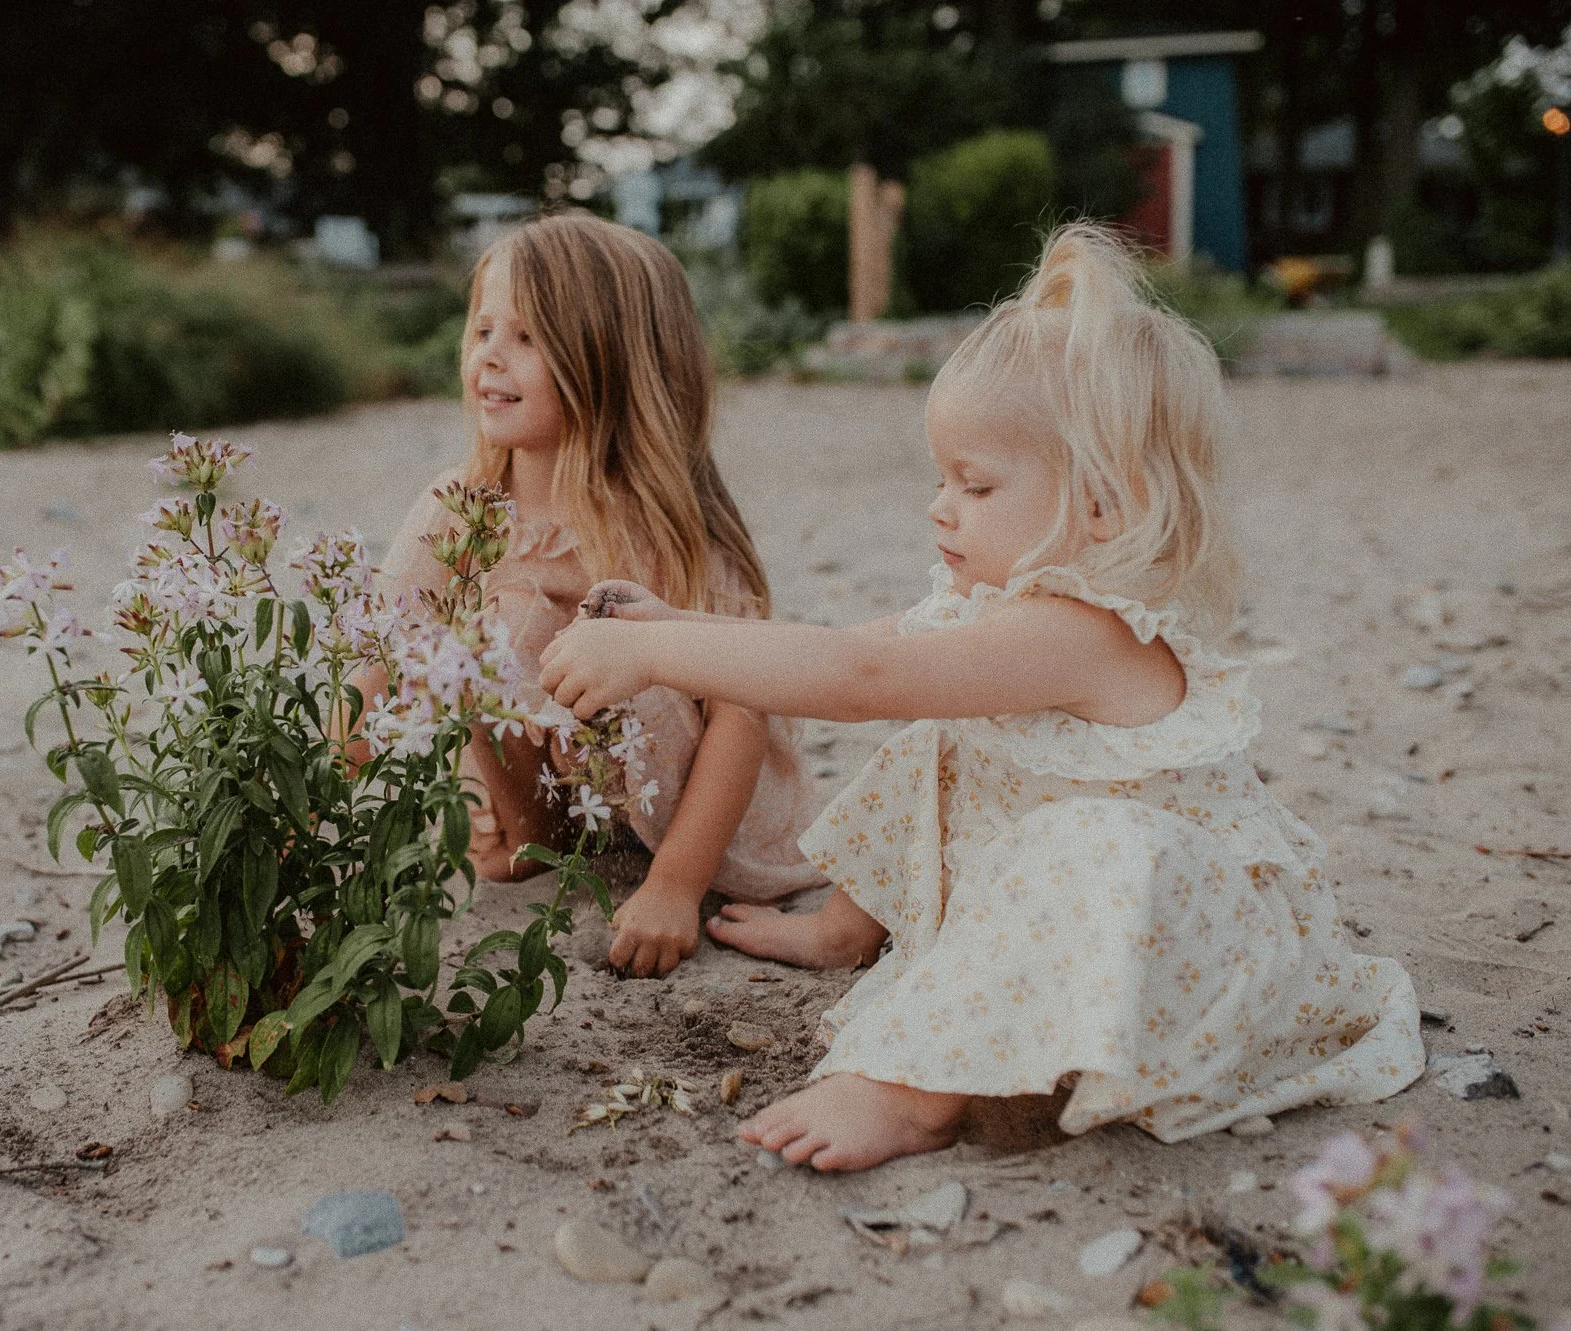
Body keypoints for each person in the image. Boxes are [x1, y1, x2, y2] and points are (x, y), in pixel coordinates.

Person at [538, 223, 1425, 1171]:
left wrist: (647, 653)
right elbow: (848, 648)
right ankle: (849, 930)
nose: (940, 506)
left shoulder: (1078, 632)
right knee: (939, 741)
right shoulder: (992, 603)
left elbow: (857, 683)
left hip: (1171, 947)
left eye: (977, 483)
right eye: (940, 478)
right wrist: (674, 629)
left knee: (1078, 832)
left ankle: (914, 1095)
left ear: (1101, 506)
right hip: (1046, 908)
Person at [380, 211, 824, 979]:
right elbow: (384, 659)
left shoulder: (664, 526)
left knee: (616, 632)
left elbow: (739, 718)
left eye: (527, 338)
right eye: (484, 330)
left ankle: (655, 858)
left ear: (613, 361)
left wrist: (675, 889)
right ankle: (529, 838)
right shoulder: (461, 506)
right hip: (570, 797)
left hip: (698, 810)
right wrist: (309, 802)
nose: (490, 358)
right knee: (488, 629)